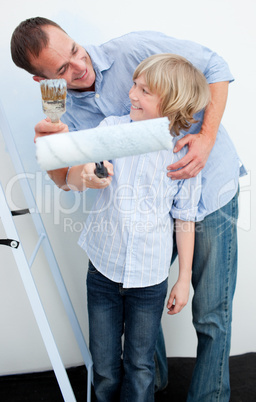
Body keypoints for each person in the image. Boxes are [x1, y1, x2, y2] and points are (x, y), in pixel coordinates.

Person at [11, 17, 246, 401]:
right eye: (62, 69)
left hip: (211, 183)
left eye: (74, 50)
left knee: (210, 311)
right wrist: (66, 162)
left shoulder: (133, 50)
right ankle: (150, 385)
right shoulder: (76, 116)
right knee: (141, 290)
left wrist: (203, 140)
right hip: (141, 223)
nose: (79, 66)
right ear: (43, 80)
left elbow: (216, 67)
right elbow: (67, 174)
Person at [64, 53, 210, 402]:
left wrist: (184, 277)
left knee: (141, 367)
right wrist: (92, 172)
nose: (131, 94)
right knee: (104, 367)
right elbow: (88, 163)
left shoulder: (183, 155)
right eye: (134, 84)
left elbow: (184, 217)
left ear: (171, 103)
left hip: (149, 279)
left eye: (144, 90)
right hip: (103, 271)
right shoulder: (113, 130)